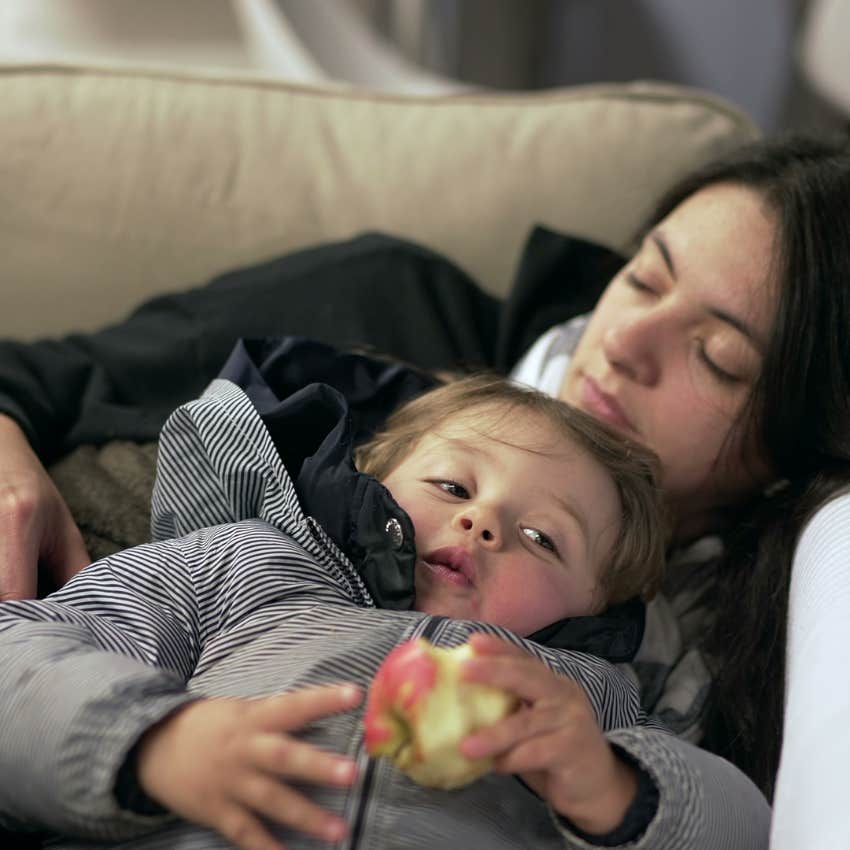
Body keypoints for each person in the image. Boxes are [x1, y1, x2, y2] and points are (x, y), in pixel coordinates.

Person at [1, 131, 848, 829]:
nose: (625, 340)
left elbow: (743, 823)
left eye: (718, 357)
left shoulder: (627, 683)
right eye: (644, 277)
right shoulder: (255, 549)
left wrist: (619, 792)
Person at [0, 365, 721, 850]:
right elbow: (16, 652)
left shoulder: (587, 702)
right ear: (374, 478)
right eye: (451, 486)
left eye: (542, 537)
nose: (484, 524)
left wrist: (613, 791)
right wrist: (152, 743)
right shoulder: (242, 563)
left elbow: (745, 825)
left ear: (596, 606)